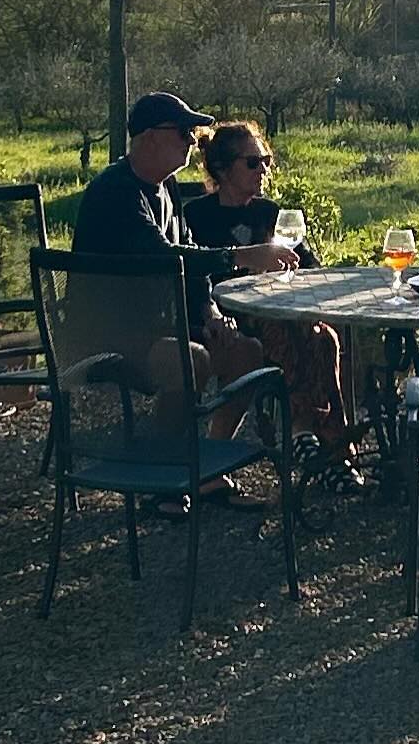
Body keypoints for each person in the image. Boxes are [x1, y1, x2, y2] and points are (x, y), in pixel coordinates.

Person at [70, 91, 289, 481]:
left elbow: (190, 260)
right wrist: (243, 256)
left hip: (156, 329)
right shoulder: (116, 193)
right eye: (184, 131)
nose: (193, 139)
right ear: (151, 137)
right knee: (191, 359)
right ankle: (166, 477)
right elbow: (164, 256)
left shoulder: (167, 188)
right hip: (109, 335)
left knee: (245, 352)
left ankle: (206, 467)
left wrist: (210, 312)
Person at [186, 122, 354, 462]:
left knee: (326, 339)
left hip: (277, 309)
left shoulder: (269, 213)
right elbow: (196, 275)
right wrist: (248, 267)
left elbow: (309, 266)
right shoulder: (198, 216)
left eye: (266, 161)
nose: (262, 169)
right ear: (222, 168)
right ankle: (303, 431)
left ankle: (335, 443)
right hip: (229, 317)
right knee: (281, 330)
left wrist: (292, 268)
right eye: (252, 163)